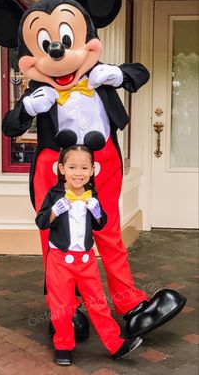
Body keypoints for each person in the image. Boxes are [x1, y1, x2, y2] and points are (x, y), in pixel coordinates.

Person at [0, 0, 186, 340]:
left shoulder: (99, 75)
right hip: (54, 168)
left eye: (64, 39)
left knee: (107, 229)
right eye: (44, 45)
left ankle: (130, 304)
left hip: (102, 162)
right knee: (55, 238)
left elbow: (139, 74)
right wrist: (28, 108)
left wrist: (115, 75)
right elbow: (10, 126)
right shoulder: (38, 92)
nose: (57, 51)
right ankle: (67, 310)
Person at [36, 144, 142, 365]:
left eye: (84, 168)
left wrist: (97, 212)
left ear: (93, 170)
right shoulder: (54, 194)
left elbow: (100, 224)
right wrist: (55, 211)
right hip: (60, 261)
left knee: (98, 304)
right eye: (72, 167)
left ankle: (115, 344)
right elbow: (41, 221)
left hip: (86, 260)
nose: (78, 173)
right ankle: (63, 346)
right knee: (62, 307)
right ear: (62, 169)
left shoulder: (92, 194)